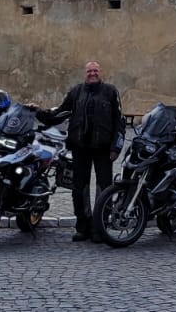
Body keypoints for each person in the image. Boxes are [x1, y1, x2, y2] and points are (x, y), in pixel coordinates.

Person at [44, 61, 124, 242]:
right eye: (89, 71)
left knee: (104, 189)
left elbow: (120, 122)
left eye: (95, 70)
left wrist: (116, 146)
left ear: (100, 72)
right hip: (80, 148)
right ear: (85, 73)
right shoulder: (76, 92)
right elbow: (61, 111)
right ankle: (83, 226)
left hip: (103, 149)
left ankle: (100, 228)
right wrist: (41, 114)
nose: (92, 73)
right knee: (79, 189)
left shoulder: (110, 92)